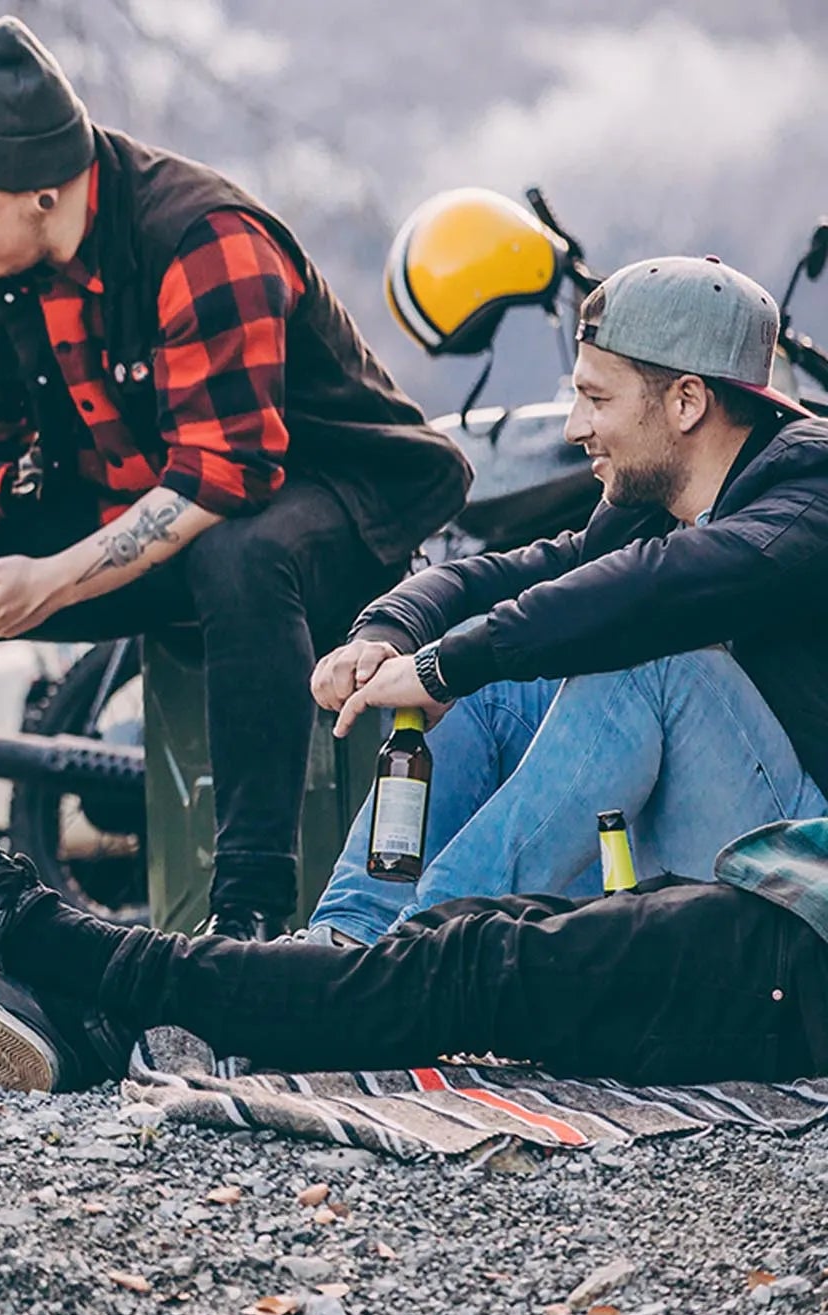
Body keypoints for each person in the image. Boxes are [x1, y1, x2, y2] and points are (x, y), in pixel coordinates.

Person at [0, 17, 468, 985]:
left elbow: (223, 470)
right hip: (144, 491)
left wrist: (50, 582)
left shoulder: (202, 238)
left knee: (240, 552)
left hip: (333, 499)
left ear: (39, 189)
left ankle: (248, 913)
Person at [301, 254, 828, 945]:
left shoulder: (807, 489)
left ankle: (406, 962)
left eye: (598, 399)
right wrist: (389, 633)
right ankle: (342, 943)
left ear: (687, 401)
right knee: (486, 689)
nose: (575, 426)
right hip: (712, 838)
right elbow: (504, 580)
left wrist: (444, 666)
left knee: (651, 661)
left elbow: (655, 589)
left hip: (803, 871)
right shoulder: (648, 505)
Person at [0, 764, 828, 1091]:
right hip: (789, 911)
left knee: (464, 963)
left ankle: (47, 942)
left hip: (799, 969)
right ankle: (93, 1024)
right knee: (469, 920)